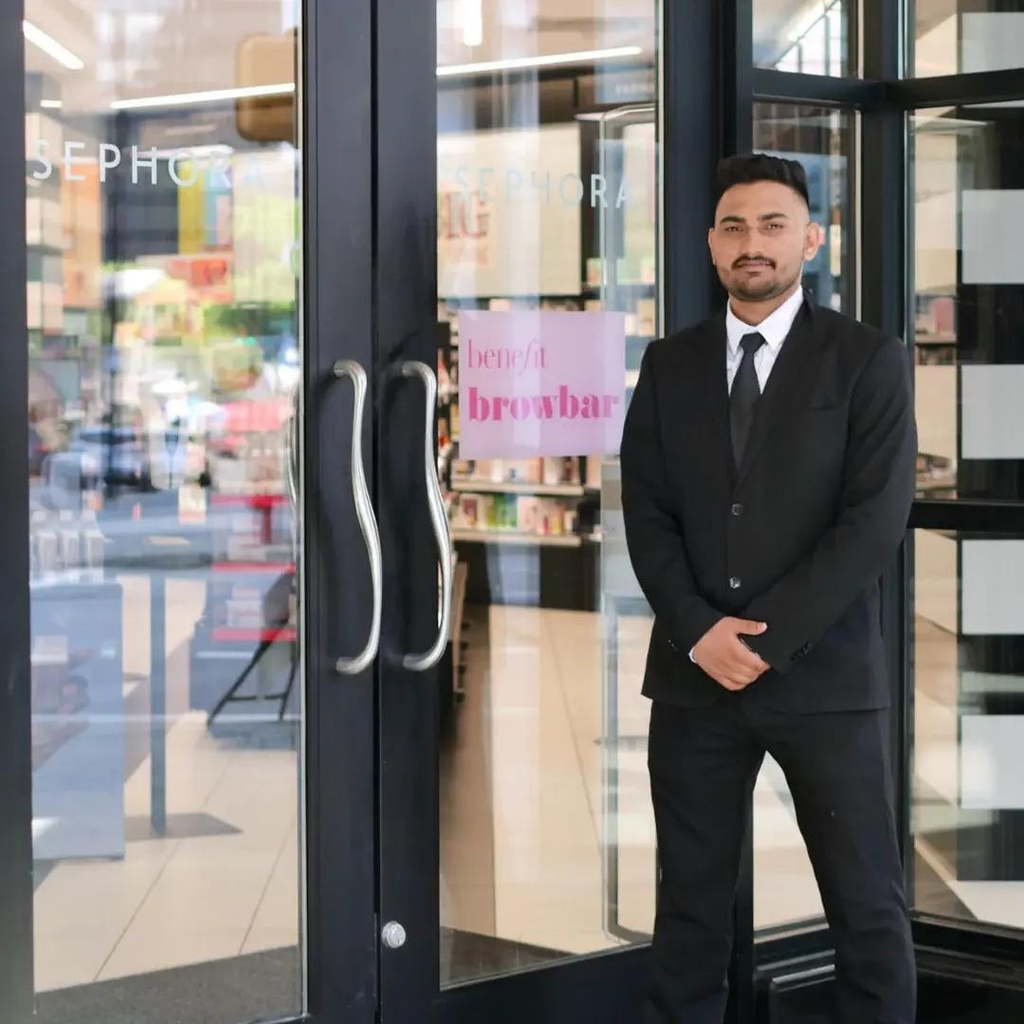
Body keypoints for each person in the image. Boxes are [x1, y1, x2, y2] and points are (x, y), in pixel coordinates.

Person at [620, 153, 917, 1024]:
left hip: (823, 681)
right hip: (692, 679)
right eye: (735, 226)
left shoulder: (867, 361)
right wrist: (696, 630)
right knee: (688, 910)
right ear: (713, 244)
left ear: (811, 239)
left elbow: (871, 526)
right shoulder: (668, 364)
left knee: (865, 904)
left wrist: (762, 638)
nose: (753, 243)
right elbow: (648, 514)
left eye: (774, 224)